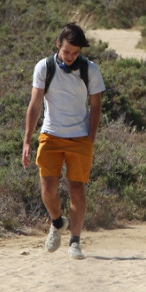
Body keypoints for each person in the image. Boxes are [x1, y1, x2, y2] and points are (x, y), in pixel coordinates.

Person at [22, 23, 105, 260]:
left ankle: (75, 242)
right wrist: (27, 141)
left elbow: (96, 106)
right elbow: (35, 105)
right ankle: (57, 222)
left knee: (77, 191)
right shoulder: (44, 67)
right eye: (67, 51)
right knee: (48, 191)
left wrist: (90, 137)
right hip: (50, 135)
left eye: (75, 53)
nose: (70, 57)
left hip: (80, 138)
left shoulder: (90, 70)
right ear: (58, 45)